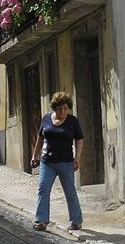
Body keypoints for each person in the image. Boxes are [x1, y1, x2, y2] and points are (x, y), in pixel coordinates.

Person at [29, 91, 84, 232]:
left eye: (66, 108)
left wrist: (77, 157)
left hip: (66, 162)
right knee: (43, 189)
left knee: (70, 191)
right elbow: (40, 137)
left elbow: (79, 139)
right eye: (60, 108)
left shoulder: (73, 121)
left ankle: (76, 221)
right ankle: (41, 220)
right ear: (54, 108)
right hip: (47, 161)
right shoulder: (46, 119)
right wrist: (35, 156)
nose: (63, 111)